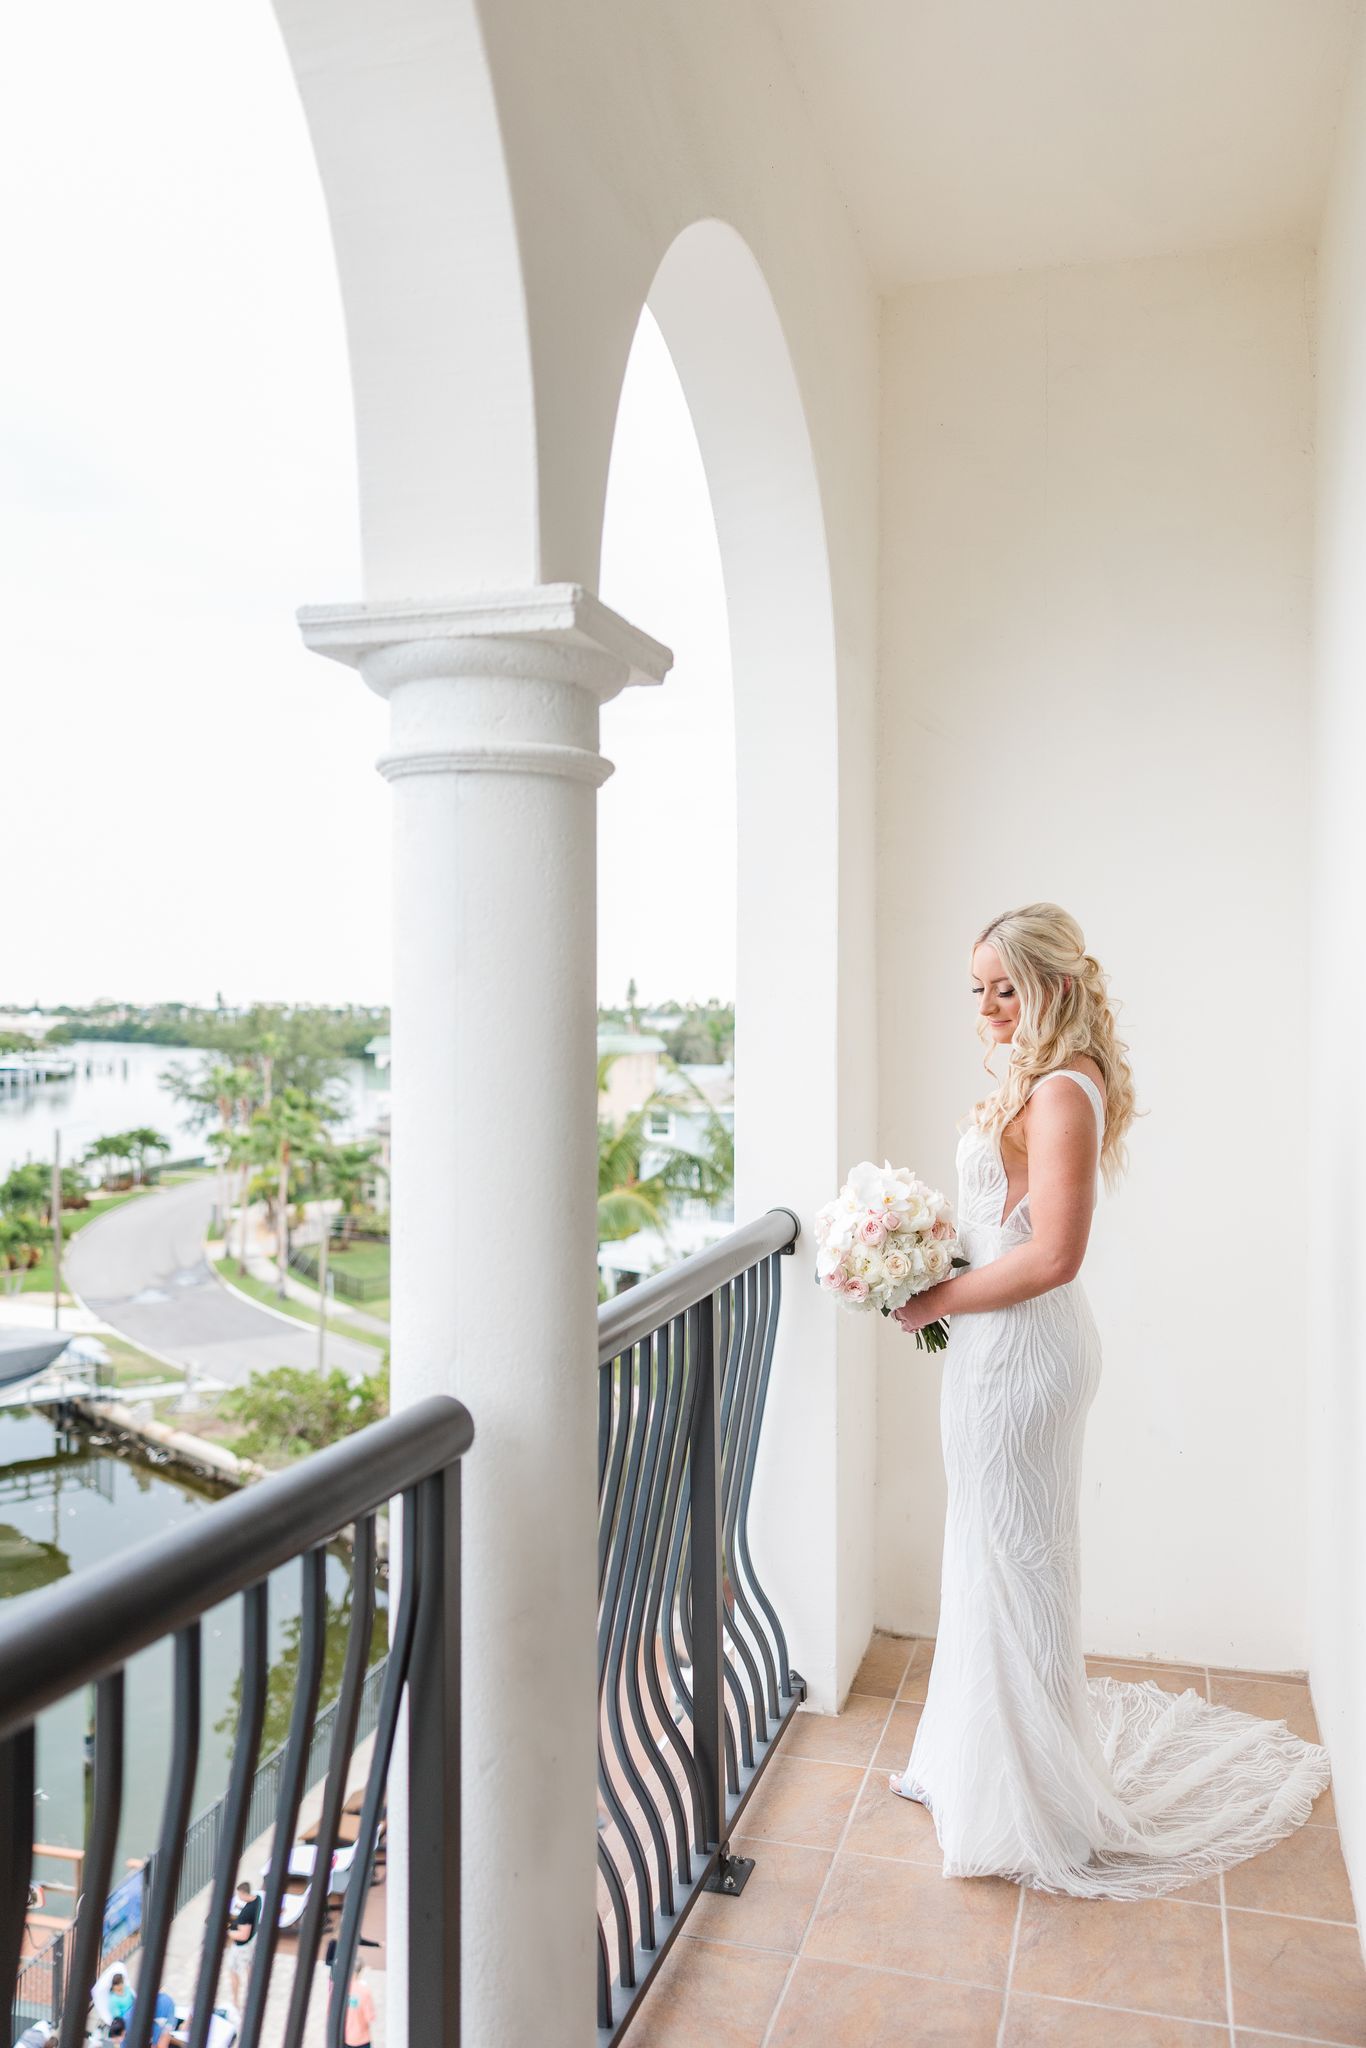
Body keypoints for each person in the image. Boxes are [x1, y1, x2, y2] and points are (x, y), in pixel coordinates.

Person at [886, 902, 1333, 1895]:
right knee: (991, 1549)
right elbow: (1000, 1223)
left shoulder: (1058, 1092)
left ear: (1057, 984)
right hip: (993, 1344)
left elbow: (1051, 1255)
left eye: (1007, 986)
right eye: (978, 988)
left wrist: (932, 1296)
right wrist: (910, 1252)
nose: (988, 1007)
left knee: (1014, 1560)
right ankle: (974, 1763)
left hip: (1020, 1358)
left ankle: (1024, 1802)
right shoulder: (1038, 1078)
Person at [225, 1879, 260, 2006]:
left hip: (242, 1947)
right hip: (253, 1941)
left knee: (233, 1970)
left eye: (239, 1895)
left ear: (243, 1893)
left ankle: (235, 2001)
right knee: (249, 1965)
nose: (239, 1897)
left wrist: (228, 1931)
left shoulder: (246, 1914)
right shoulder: (257, 1900)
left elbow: (243, 1935)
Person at [341, 1962, 373, 2048]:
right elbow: (370, 2017)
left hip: (346, 2037)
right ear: (360, 1971)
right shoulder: (364, 1991)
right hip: (361, 2039)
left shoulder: (341, 1989)